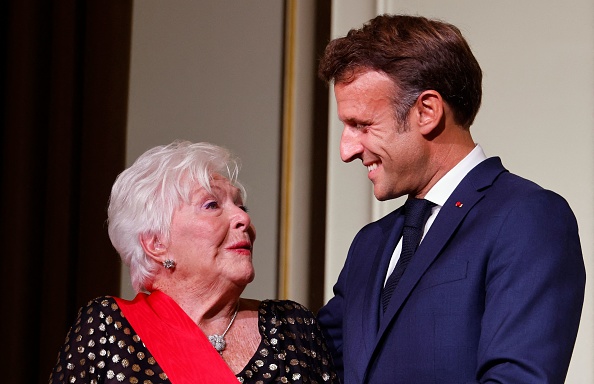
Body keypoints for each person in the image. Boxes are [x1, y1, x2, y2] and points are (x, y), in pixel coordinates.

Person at [317, 14, 585, 384]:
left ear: (427, 111)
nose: (347, 150)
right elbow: (308, 360)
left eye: (362, 125)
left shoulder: (527, 217)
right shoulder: (370, 244)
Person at [49, 141, 337, 384]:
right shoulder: (109, 328)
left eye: (241, 206)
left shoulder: (291, 326)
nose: (243, 218)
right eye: (211, 205)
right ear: (156, 243)